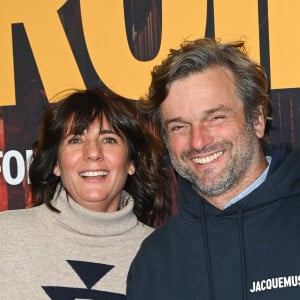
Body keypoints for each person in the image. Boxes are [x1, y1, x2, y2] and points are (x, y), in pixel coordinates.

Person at [126, 38, 300, 299]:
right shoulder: (154, 261)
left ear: (258, 119)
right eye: (179, 126)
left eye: (215, 117)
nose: (198, 141)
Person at [0, 87, 169, 299]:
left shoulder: (165, 255)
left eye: (108, 139)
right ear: (56, 164)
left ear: (131, 163)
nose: (93, 153)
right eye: (75, 140)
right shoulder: (5, 236)